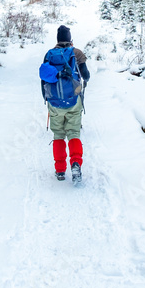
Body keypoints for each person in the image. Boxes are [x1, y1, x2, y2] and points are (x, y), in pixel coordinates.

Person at [40, 24, 90, 182]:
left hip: (54, 102)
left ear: (57, 39)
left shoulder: (49, 54)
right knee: (74, 133)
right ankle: (75, 163)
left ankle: (60, 171)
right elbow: (86, 75)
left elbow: (44, 79)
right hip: (74, 100)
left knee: (59, 135)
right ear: (70, 39)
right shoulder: (77, 53)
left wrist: (47, 98)